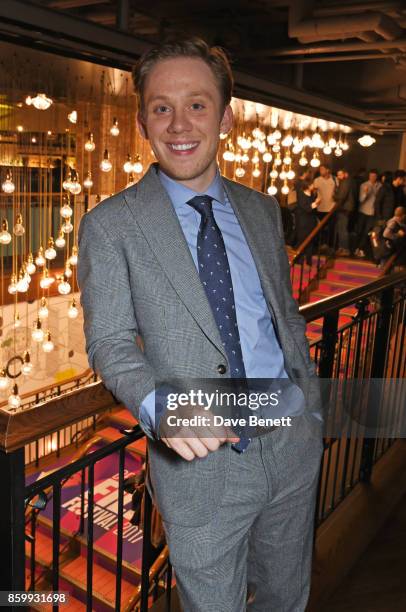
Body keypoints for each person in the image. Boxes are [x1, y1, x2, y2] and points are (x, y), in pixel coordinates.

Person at [77, 38, 323, 612]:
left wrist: (308, 408)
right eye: (161, 107)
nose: (179, 123)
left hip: (290, 446)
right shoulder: (109, 225)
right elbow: (110, 343)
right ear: (142, 121)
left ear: (226, 117)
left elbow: (282, 319)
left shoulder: (262, 210)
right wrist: (161, 408)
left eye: (197, 104)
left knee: (287, 598)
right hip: (199, 468)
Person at [355, 168, 381, 258]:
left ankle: (360, 249)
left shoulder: (379, 186)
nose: (372, 177)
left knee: (367, 231)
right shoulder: (364, 185)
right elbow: (361, 199)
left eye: (374, 176)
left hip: (373, 213)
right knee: (360, 230)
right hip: (363, 211)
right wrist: (365, 193)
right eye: (371, 176)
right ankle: (356, 248)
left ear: (377, 177)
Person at [295, 177, 320, 265]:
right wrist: (315, 204)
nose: (313, 186)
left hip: (311, 221)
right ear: (308, 185)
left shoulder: (312, 194)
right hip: (303, 221)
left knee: (310, 240)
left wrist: (316, 203)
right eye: (312, 184)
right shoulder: (301, 194)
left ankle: (309, 260)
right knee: (302, 240)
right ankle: (299, 259)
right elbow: (306, 208)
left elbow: (312, 209)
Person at [313, 164, 337, 250]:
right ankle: (320, 244)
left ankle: (328, 245)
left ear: (327, 170)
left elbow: (337, 191)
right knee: (320, 228)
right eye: (320, 169)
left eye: (322, 169)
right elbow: (314, 193)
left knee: (331, 228)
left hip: (331, 207)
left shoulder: (334, 179)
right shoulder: (317, 180)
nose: (321, 171)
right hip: (321, 208)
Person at [334, 168, 355, 257]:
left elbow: (342, 196)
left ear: (345, 174)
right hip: (345, 208)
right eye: (338, 175)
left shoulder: (345, 183)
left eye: (340, 175)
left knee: (342, 229)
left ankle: (345, 249)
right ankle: (342, 248)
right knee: (341, 228)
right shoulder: (346, 182)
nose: (338, 177)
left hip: (344, 209)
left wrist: (334, 196)